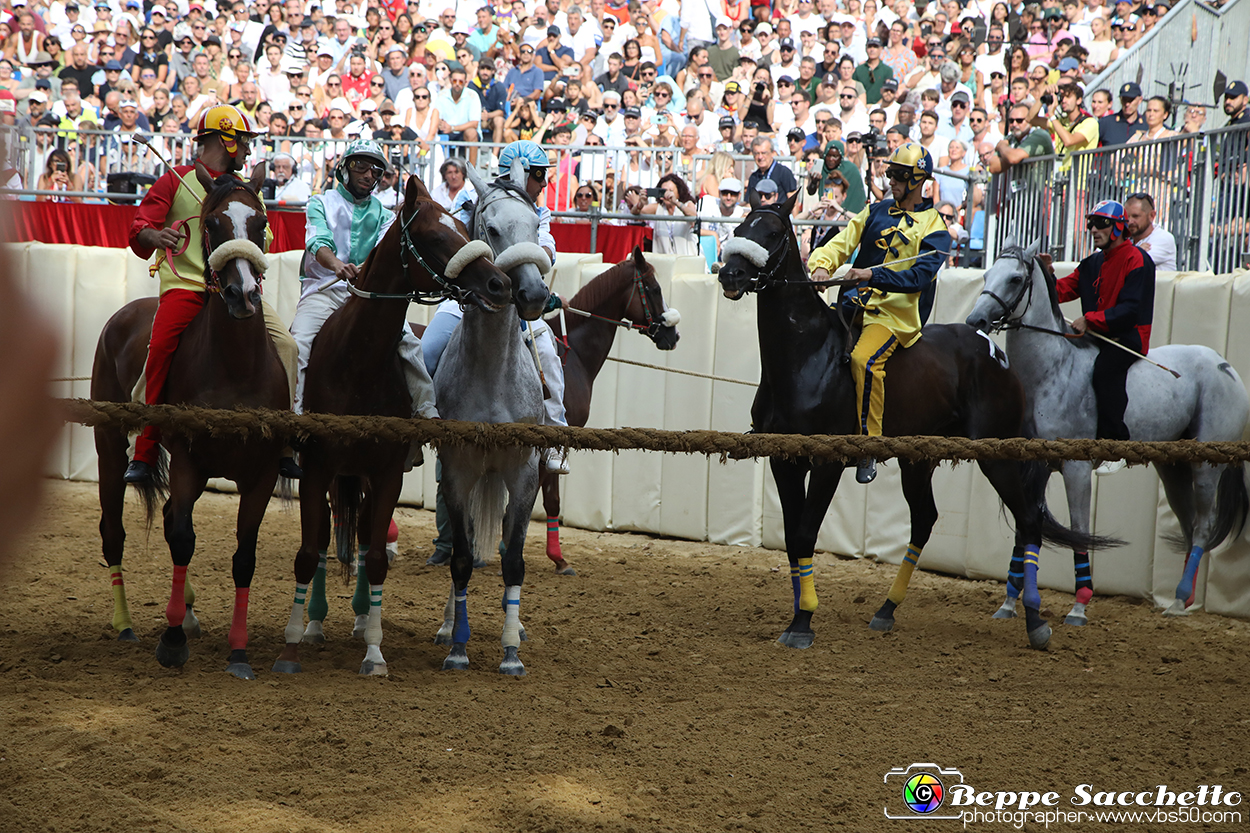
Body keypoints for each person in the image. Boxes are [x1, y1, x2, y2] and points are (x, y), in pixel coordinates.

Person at [125, 104, 300, 484]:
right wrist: (156, 235)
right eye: (244, 143)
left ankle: (284, 443)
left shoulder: (244, 190)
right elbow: (140, 227)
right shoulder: (174, 180)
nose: (249, 152)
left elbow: (264, 241)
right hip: (187, 286)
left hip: (236, 288)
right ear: (226, 139)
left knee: (287, 345)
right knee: (160, 350)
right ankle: (146, 447)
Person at [292, 138, 439, 467]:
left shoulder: (385, 214)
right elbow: (318, 240)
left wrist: (367, 273)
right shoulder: (320, 202)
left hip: (367, 298)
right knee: (297, 343)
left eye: (376, 170)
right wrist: (337, 266)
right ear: (344, 168)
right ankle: (294, 421)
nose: (369, 174)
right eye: (361, 166)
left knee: (410, 344)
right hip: (323, 291)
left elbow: (384, 254)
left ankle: (426, 417)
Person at [807, 142, 948, 484]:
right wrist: (822, 266)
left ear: (918, 181)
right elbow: (840, 243)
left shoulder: (935, 227)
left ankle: (869, 445)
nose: (891, 182)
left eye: (899, 176)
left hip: (893, 316)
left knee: (864, 360)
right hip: (852, 305)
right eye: (889, 174)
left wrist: (873, 274)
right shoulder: (874, 211)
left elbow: (918, 278)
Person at [1055, 200, 1155, 461]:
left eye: (1101, 223)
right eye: (1090, 223)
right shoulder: (1091, 263)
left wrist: (1090, 320)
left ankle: (1115, 445)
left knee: (1105, 369)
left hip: (1128, 337)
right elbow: (1061, 290)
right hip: (1098, 335)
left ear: (1119, 228)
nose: (1093, 229)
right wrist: (1042, 275)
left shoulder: (1138, 260)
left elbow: (1130, 311)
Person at [1124, 191, 1176, 272]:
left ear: (1152, 216)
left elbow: (1133, 263)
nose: (1130, 221)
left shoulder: (1163, 238)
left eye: (1135, 216)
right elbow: (1099, 258)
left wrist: (1132, 252)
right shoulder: (1124, 237)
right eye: (1127, 216)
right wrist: (1136, 251)